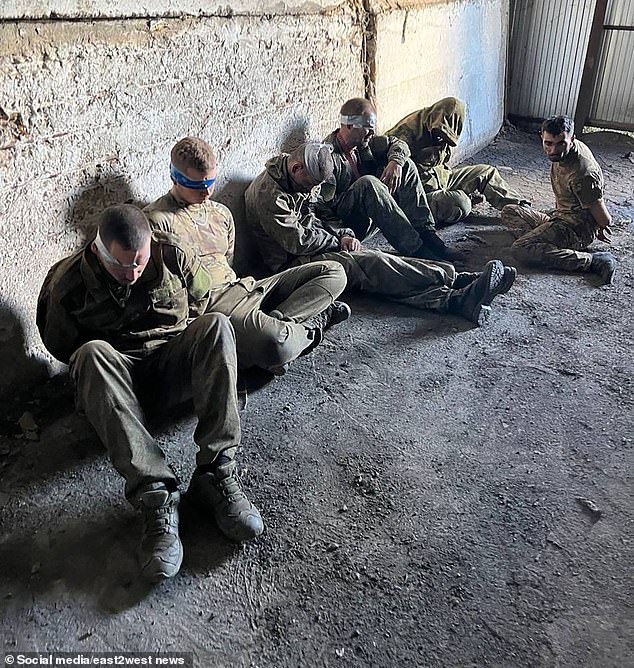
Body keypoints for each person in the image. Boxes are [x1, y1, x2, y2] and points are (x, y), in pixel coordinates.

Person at [37, 205, 263, 583]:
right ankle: (156, 496)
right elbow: (62, 347)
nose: (132, 274)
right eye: (122, 266)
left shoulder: (172, 253)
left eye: (139, 264)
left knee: (217, 327)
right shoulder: (66, 285)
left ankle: (216, 473)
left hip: (167, 365)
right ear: (97, 251)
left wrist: (185, 349)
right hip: (117, 383)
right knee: (91, 355)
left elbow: (203, 298)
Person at [244, 142, 517, 326]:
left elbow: (315, 216)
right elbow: (298, 241)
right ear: (296, 169)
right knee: (367, 263)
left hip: (311, 248)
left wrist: (345, 234)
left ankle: (456, 284)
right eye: (309, 185)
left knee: (372, 262)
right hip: (289, 267)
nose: (310, 191)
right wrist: (337, 241)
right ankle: (454, 295)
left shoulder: (293, 175)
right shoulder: (270, 195)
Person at [144, 137, 350, 378]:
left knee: (335, 272)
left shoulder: (220, 213)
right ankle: (314, 323)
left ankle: (279, 321)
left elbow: (229, 262)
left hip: (246, 286)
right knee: (277, 345)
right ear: (176, 177)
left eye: (211, 182)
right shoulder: (158, 222)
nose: (208, 191)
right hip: (215, 304)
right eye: (198, 185)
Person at [318, 97, 463, 262]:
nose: (372, 133)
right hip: (348, 228)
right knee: (368, 183)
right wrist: (344, 235)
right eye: (367, 129)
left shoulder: (364, 143)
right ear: (349, 126)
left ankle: (428, 236)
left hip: (373, 217)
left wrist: (396, 162)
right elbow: (324, 211)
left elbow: (399, 144)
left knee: (405, 163)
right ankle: (416, 250)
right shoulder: (328, 158)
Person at [501, 115, 617, 284]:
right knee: (510, 211)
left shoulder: (583, 173)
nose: (554, 150)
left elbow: (604, 218)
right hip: (560, 217)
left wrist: (599, 226)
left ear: (572, 139)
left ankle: (592, 261)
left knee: (520, 249)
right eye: (548, 143)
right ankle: (546, 247)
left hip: (576, 230)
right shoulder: (566, 151)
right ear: (542, 137)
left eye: (561, 143)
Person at [386, 96, 527, 225]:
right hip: (418, 196)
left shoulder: (446, 131)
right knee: (461, 202)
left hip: (441, 180)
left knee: (486, 172)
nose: (441, 138)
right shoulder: (411, 128)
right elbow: (396, 145)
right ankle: (439, 211)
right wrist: (396, 161)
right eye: (440, 133)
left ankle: (522, 210)